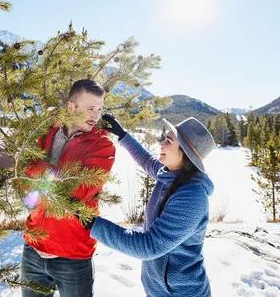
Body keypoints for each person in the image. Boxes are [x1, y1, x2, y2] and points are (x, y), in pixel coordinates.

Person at [0, 79, 116, 297]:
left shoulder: (102, 146)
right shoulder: (44, 134)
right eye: (90, 108)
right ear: (71, 107)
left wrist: (21, 164)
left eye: (99, 109)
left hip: (73, 255)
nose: (95, 116)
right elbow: (27, 185)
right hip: (33, 249)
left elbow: (75, 190)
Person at [82, 113, 215, 297]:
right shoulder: (169, 174)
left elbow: (148, 246)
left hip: (182, 293)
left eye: (168, 141)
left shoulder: (192, 197)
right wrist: (122, 135)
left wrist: (93, 224)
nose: (161, 143)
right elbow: (147, 161)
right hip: (157, 290)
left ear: (185, 154)